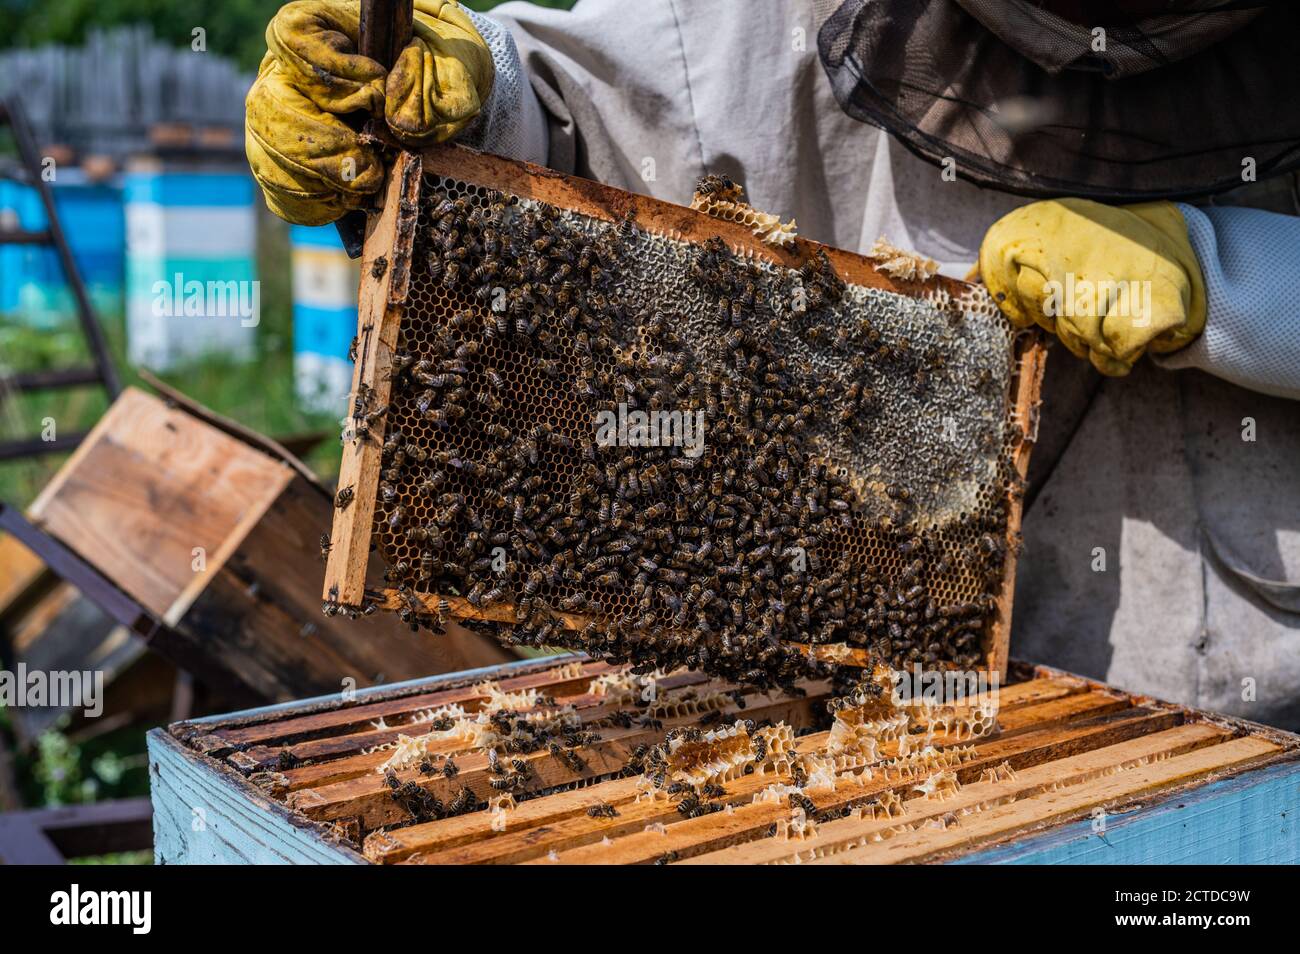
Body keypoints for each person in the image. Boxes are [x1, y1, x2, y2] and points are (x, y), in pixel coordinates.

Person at [246, 0, 1300, 727]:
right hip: (857, 730)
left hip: (1260, 731)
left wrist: (1235, 283)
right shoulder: (768, 21)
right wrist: (467, 88)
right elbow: (601, 102)